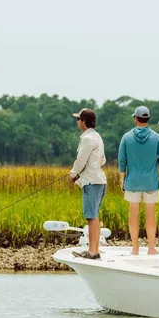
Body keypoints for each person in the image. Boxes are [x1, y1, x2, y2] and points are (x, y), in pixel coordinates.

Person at [118, 105, 159, 255]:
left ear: (135, 118)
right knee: (150, 215)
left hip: (132, 182)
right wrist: (155, 159)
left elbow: (122, 161)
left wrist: (122, 181)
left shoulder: (126, 137)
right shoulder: (157, 138)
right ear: (148, 119)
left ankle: (135, 248)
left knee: (133, 215)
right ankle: (151, 248)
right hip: (151, 182)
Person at [69, 108, 107, 260]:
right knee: (94, 217)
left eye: (78, 119)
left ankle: (92, 252)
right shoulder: (97, 137)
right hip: (100, 181)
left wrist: (73, 173)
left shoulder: (86, 139)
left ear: (84, 121)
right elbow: (102, 160)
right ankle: (94, 250)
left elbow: (81, 160)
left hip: (91, 182)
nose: (77, 121)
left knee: (91, 218)